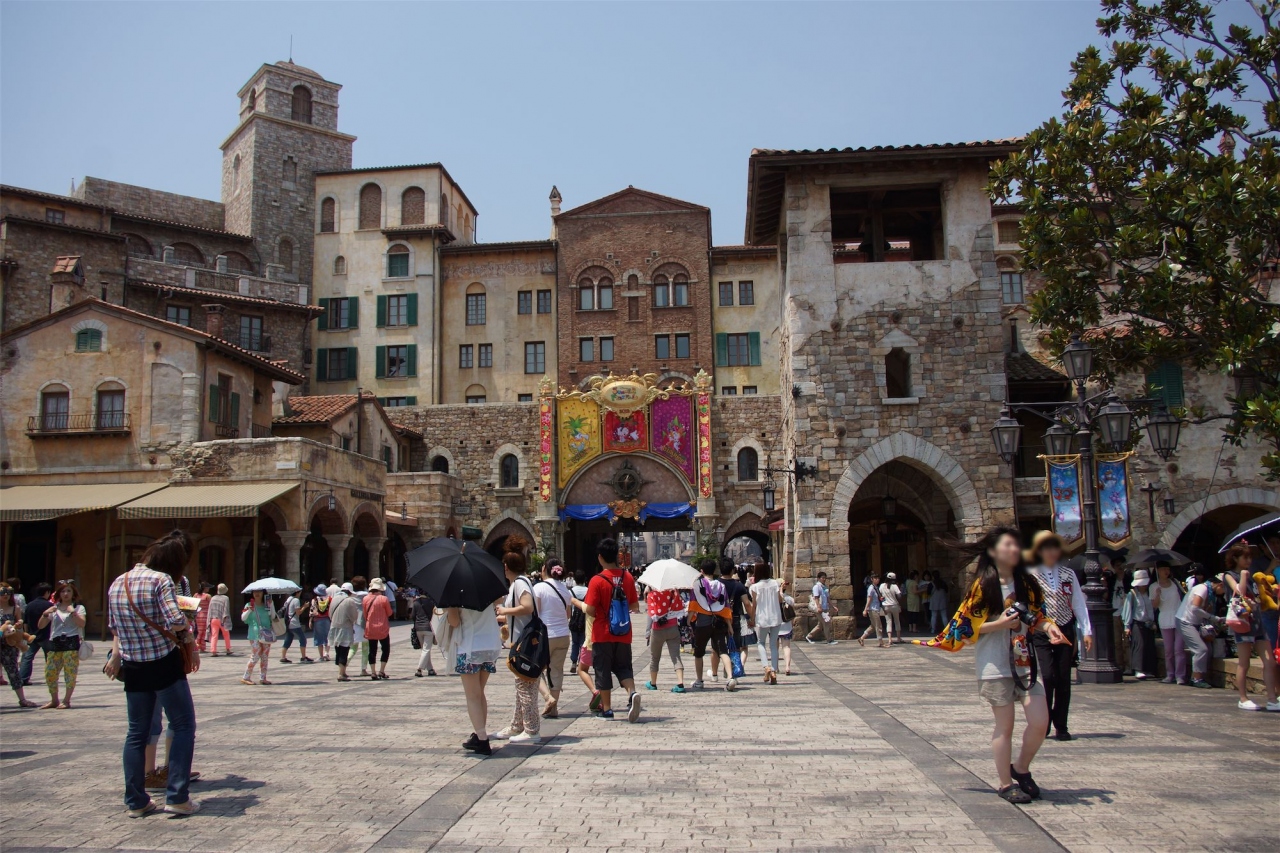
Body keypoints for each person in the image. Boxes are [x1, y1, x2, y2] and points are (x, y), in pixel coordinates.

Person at [918, 526, 1068, 805]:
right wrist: (999, 624)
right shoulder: (983, 586)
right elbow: (966, 629)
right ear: (993, 551)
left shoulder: (1028, 584)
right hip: (994, 664)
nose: (1014, 550)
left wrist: (1050, 629)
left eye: (1016, 545)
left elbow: (1038, 617)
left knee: (1040, 722)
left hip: (1025, 663)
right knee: (1005, 726)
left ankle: (1021, 768)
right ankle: (1005, 783)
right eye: (1008, 545)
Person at [104, 530, 201, 818]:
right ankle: (177, 796)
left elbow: (114, 626)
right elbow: (175, 620)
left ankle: (136, 801)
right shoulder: (161, 581)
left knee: (137, 732)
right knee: (183, 725)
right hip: (162, 662)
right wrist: (186, 623)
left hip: (133, 666)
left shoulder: (117, 582)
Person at [1025, 531, 1093, 740]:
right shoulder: (1030, 574)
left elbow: (1078, 603)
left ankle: (1061, 724)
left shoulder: (1067, 574)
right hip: (1040, 630)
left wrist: (1087, 630)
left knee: (1063, 677)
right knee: (1046, 676)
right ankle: (1043, 721)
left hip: (1064, 628)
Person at [583, 538, 641, 721]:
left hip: (602, 633)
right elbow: (634, 605)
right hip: (623, 632)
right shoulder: (628, 577)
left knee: (603, 670)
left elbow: (591, 610)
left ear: (600, 557)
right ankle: (632, 693)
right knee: (624, 667)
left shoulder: (597, 580)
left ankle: (607, 710)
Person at [443, 593, 503, 756]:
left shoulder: (456, 593)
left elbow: (454, 622)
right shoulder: (485, 588)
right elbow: (500, 601)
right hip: (490, 645)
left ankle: (482, 740)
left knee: (472, 695)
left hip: (470, 646)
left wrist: (449, 608)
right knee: (479, 693)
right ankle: (479, 734)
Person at [493, 548, 542, 743]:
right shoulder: (519, 583)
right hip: (520, 641)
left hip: (525, 644)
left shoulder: (520, 583)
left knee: (526, 687)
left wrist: (506, 609)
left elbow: (528, 607)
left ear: (506, 566)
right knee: (521, 685)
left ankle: (532, 730)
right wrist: (503, 615)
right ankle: (517, 725)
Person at [1222, 543, 1279, 711]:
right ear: (1235, 558)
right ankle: (1243, 697)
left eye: (1250, 557)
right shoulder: (1229, 575)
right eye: (1245, 557)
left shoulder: (1253, 576)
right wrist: (1244, 576)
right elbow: (1238, 591)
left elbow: (1258, 598)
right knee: (1244, 663)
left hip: (1258, 623)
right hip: (1242, 624)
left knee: (1270, 662)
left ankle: (1272, 699)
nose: (1248, 560)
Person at [37, 580, 86, 709]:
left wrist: (72, 612)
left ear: (73, 593)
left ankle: (66, 700)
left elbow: (82, 624)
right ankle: (54, 700)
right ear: (58, 593)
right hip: (55, 642)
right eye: (63, 591)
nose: (65, 594)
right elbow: (40, 626)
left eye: (68, 591)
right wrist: (45, 613)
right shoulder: (54, 608)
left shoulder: (78, 608)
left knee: (70, 673)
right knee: (50, 673)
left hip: (71, 642)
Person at [535, 560, 575, 715]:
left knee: (535, 669)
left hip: (545, 635)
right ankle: (554, 708)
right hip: (563, 635)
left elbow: (536, 613)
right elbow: (568, 614)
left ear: (545, 569)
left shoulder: (539, 588)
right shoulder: (566, 590)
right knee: (556, 671)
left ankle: (547, 698)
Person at [1175, 572, 1226, 689]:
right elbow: (1195, 608)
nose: (1223, 593)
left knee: (1208, 648)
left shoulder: (1210, 592)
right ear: (1220, 585)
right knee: (1200, 649)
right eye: (1224, 589)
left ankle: (1201, 676)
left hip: (1196, 623)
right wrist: (1213, 618)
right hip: (1185, 621)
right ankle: (1196, 679)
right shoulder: (1202, 589)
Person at [688, 557, 732, 690]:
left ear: (701, 571)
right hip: (718, 622)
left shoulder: (697, 585)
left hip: (703, 623)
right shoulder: (721, 586)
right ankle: (730, 678)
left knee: (699, 652)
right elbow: (726, 607)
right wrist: (729, 625)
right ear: (714, 571)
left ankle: (699, 680)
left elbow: (693, 605)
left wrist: (689, 621)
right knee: (722, 651)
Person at [0, 583, 39, 707]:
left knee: (13, 671)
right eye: (2, 592)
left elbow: (19, 625)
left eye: (8, 592)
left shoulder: (15, 608)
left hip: (9, 644)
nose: (5, 595)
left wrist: (18, 626)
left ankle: (22, 699)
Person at [644, 582, 686, 693]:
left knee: (655, 657)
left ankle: (653, 683)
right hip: (673, 628)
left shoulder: (652, 595)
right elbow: (680, 607)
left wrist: (647, 632)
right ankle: (680, 683)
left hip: (657, 630)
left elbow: (651, 615)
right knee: (676, 656)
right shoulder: (673, 593)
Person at [1150, 564, 1186, 684]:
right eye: (1163, 569)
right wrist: (1158, 595)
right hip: (1165, 617)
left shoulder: (1175, 583)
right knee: (1169, 650)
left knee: (1179, 649)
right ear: (1158, 571)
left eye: (1168, 569)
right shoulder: (1154, 586)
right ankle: (1170, 674)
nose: (1166, 571)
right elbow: (1154, 606)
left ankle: (1180, 675)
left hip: (1178, 616)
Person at [720, 558, 755, 678]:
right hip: (734, 618)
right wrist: (752, 618)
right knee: (735, 646)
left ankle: (718, 672)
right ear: (732, 570)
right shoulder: (738, 586)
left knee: (719, 647)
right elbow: (747, 603)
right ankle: (733, 671)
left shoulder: (716, 584)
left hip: (718, 618)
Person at [749, 563, 783, 684]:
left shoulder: (755, 587)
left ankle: (766, 667)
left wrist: (752, 618)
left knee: (761, 643)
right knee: (773, 644)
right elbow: (780, 600)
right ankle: (774, 670)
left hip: (762, 618)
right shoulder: (775, 583)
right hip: (775, 617)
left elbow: (754, 605)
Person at [1121, 569, 1158, 680]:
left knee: (1149, 645)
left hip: (1149, 623)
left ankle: (1148, 669)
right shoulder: (1132, 594)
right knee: (1139, 645)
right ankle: (1138, 669)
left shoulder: (1149, 593)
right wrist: (1127, 626)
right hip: (1138, 622)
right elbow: (1127, 611)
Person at [19, 582, 52, 686]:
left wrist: (26, 634)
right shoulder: (50, 606)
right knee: (50, 658)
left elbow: (25, 622)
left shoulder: (29, 605)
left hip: (32, 635)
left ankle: (23, 678)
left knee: (27, 657)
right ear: (47, 592)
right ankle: (50, 678)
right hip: (46, 635)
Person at [240, 589, 275, 685]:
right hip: (254, 634)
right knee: (256, 655)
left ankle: (263, 678)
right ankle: (246, 677)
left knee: (265, 656)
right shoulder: (249, 604)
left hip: (266, 634)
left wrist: (271, 605)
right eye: (255, 592)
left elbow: (273, 616)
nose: (257, 594)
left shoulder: (267, 604)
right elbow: (243, 618)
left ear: (263, 593)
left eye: (259, 592)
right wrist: (249, 610)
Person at [363, 578, 394, 680]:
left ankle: (373, 672)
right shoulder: (384, 599)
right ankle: (381, 671)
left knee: (372, 650)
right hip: (382, 628)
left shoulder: (365, 599)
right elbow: (389, 613)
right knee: (385, 649)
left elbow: (365, 614)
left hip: (370, 627)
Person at [329, 583, 360, 682]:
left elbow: (330, 613)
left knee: (338, 649)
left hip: (334, 627)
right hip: (345, 628)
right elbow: (354, 616)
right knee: (344, 650)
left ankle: (342, 671)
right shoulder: (349, 600)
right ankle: (340, 674)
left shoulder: (334, 599)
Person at [279, 589, 312, 664]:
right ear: (297, 592)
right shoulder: (296, 600)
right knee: (303, 639)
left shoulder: (288, 599)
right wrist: (305, 607)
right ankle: (303, 657)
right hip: (294, 623)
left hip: (287, 622)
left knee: (288, 640)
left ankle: (283, 657)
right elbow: (298, 613)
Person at [805, 572, 837, 644]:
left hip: (825, 608)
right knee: (826, 623)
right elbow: (816, 598)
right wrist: (819, 607)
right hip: (820, 609)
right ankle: (829, 640)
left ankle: (809, 636)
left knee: (820, 625)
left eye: (825, 577)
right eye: (822, 577)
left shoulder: (824, 587)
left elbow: (828, 598)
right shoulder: (816, 587)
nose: (824, 579)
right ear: (819, 578)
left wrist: (833, 606)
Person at [412, 590, 437, 677]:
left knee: (424, 650)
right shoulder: (431, 602)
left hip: (418, 628)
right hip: (428, 628)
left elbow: (413, 616)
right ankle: (419, 669)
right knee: (426, 649)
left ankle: (430, 669)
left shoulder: (416, 602)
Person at [859, 572, 886, 648]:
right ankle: (881, 642)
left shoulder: (876, 587)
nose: (877, 580)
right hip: (873, 609)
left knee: (873, 626)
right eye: (875, 578)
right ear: (872, 579)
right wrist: (865, 609)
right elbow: (869, 599)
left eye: (878, 578)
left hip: (876, 608)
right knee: (879, 626)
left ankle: (862, 638)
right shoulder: (871, 588)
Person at [206, 584, 232, 657]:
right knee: (226, 634)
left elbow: (210, 609)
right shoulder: (226, 598)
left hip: (213, 619)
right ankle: (228, 649)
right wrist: (225, 619)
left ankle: (213, 651)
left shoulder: (213, 598)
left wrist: (209, 619)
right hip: (222, 619)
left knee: (214, 635)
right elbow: (226, 610)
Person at [778, 580, 796, 676]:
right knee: (786, 647)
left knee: (774, 647)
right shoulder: (789, 599)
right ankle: (787, 667)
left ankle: (775, 667)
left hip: (775, 625)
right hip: (786, 625)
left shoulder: (773, 599)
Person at [309, 585, 332, 662]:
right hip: (327, 620)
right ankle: (326, 653)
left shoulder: (314, 600)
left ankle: (321, 656)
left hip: (317, 620)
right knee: (327, 637)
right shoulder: (330, 599)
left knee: (319, 638)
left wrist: (310, 620)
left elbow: (312, 610)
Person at [880, 573, 904, 643]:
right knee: (897, 621)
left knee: (888, 622)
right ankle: (898, 638)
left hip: (886, 606)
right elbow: (899, 596)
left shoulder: (882, 586)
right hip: (894, 605)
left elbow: (881, 596)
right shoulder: (895, 586)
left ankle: (890, 639)